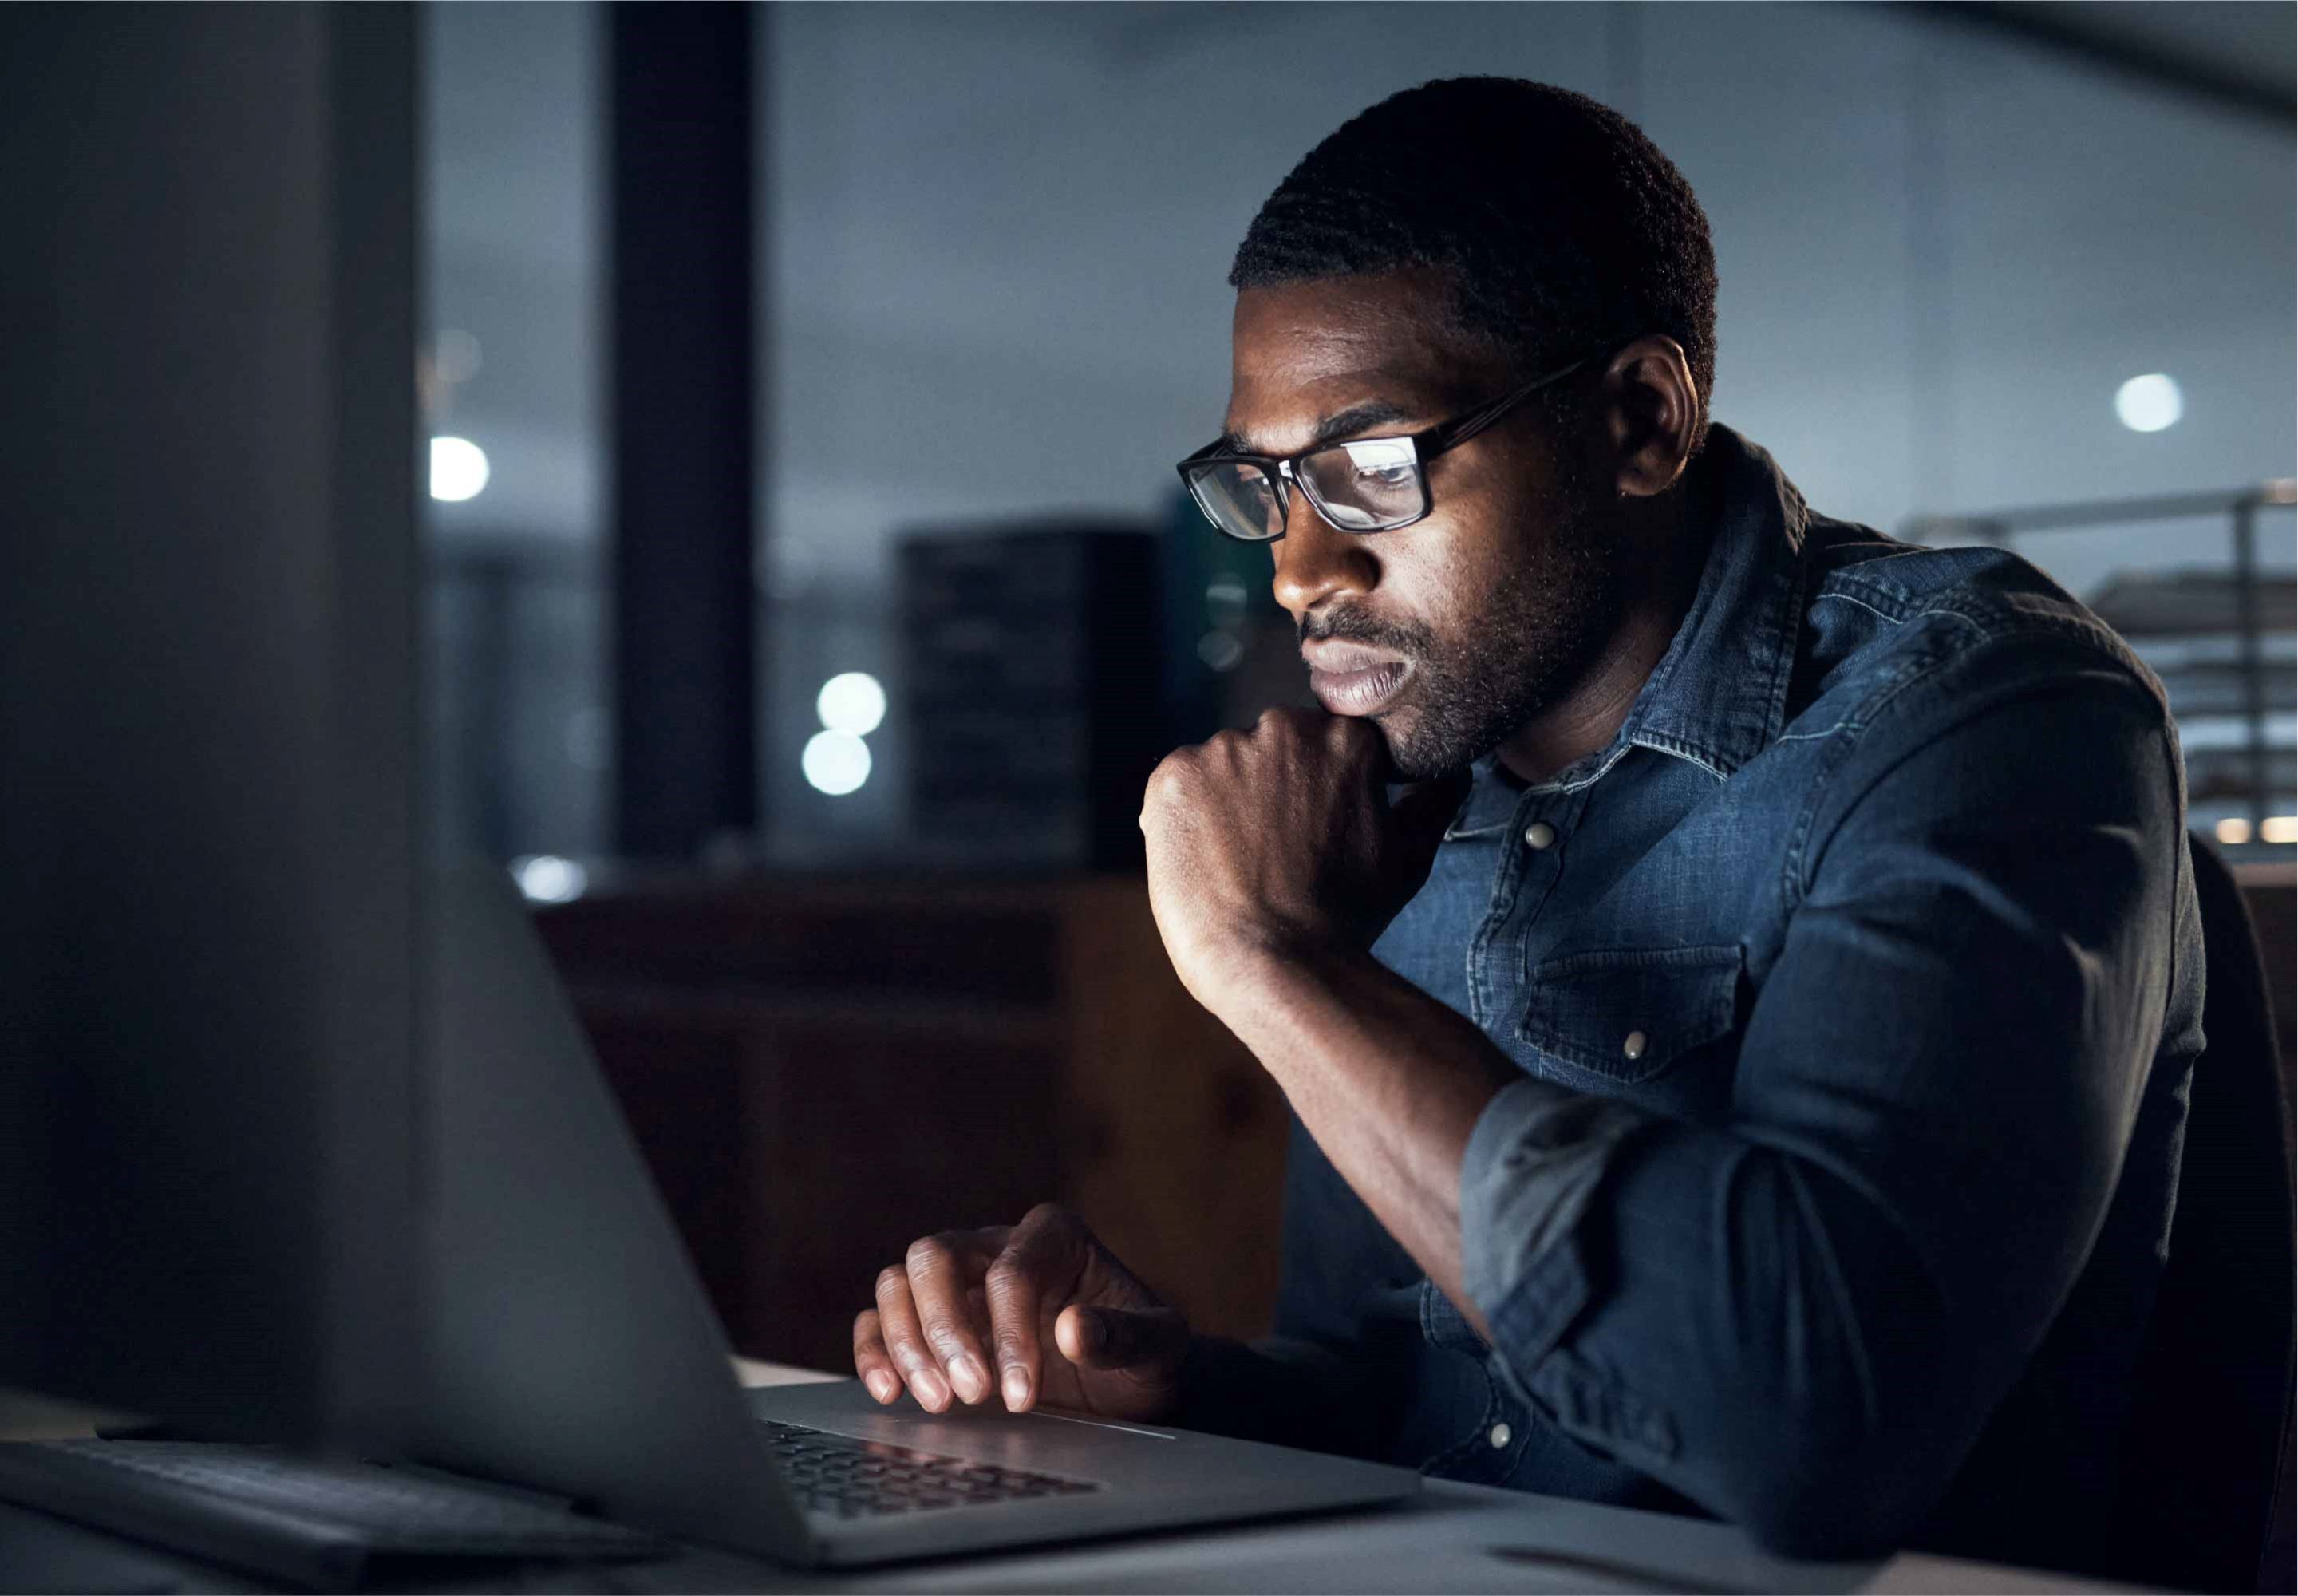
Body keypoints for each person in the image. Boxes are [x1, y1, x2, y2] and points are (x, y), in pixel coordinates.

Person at [849, 78, 2200, 1572]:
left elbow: (1821, 1427)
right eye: (1268, 485)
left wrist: (1278, 969)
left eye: (1373, 467)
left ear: (1640, 420)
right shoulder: (1390, 795)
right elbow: (1418, 1397)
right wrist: (1172, 1392)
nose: (1299, 571)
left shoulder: (1985, 714)